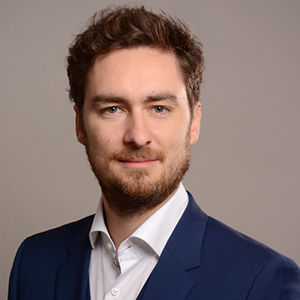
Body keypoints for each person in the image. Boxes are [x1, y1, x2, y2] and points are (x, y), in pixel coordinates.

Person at [8, 6, 300, 300]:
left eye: (159, 108)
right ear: (79, 125)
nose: (137, 136)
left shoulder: (264, 282)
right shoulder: (34, 263)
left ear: (194, 123)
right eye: (112, 109)